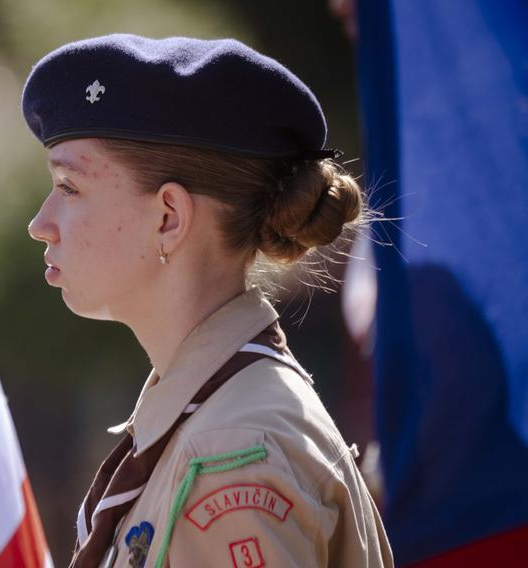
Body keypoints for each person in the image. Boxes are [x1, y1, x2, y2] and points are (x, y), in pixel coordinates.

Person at [21, 34, 393, 568]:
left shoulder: (228, 453)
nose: (40, 225)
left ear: (168, 218)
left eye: (69, 186)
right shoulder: (212, 418)